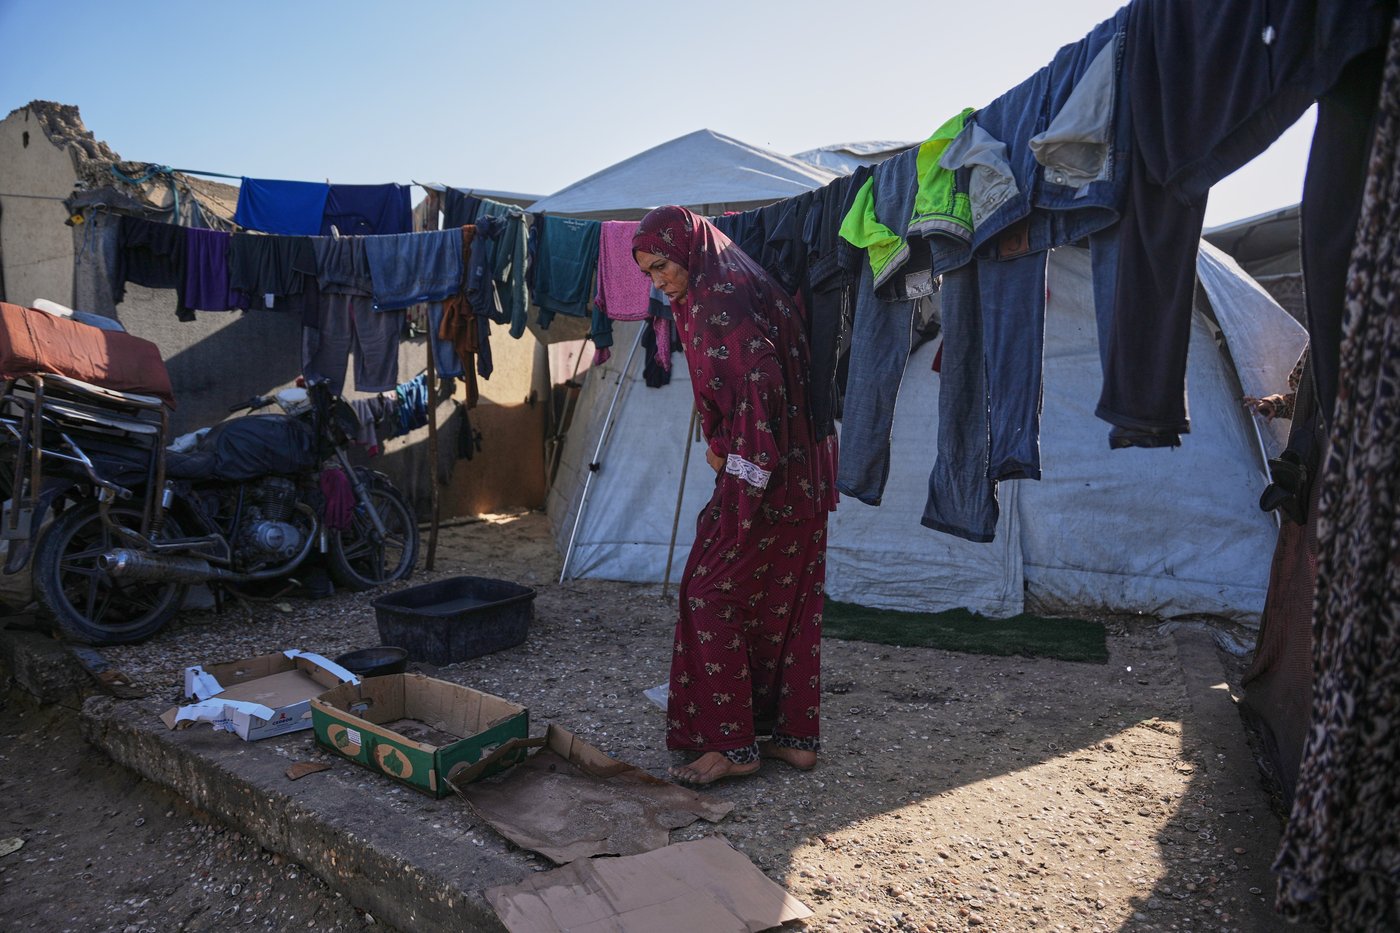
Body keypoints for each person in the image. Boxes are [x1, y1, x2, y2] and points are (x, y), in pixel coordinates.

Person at [632, 205, 838, 785]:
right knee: (786, 603)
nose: (660, 281)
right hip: (801, 478)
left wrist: (737, 461)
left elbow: (762, 377)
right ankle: (792, 739)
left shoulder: (718, 300)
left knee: (707, 591)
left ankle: (735, 745)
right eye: (649, 273)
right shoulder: (736, 282)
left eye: (663, 266)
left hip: (766, 480)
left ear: (688, 250)